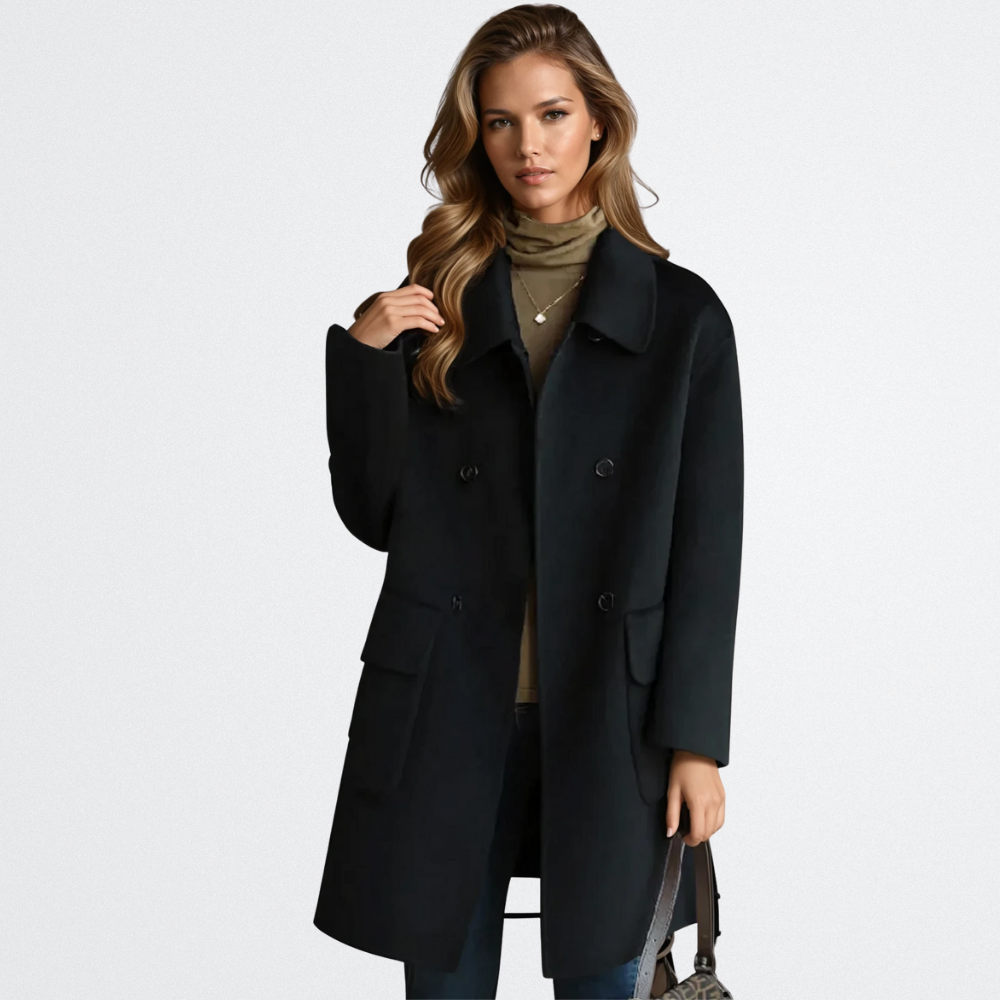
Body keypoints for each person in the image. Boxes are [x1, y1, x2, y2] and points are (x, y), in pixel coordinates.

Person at [314, 5, 743, 998]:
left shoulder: (681, 318)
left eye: (551, 115)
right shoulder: (438, 300)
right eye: (500, 122)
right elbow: (375, 515)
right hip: (447, 706)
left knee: (606, 978)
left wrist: (696, 742)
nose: (526, 146)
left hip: (612, 716)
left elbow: (707, 547)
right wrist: (366, 360)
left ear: (598, 121)